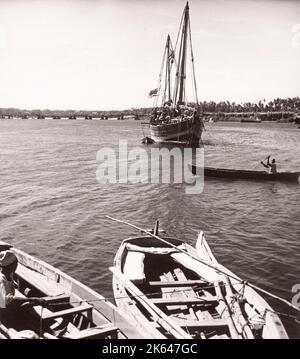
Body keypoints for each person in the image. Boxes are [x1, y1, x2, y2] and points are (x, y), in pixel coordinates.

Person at [0, 250, 46, 330]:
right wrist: (34, 299)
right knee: (28, 307)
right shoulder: (1, 279)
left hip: (4, 306)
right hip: (2, 312)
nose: (17, 266)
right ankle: (44, 329)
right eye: (16, 264)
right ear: (12, 266)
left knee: (27, 305)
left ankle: (41, 327)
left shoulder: (7, 273)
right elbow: (8, 300)